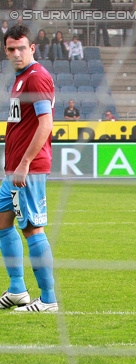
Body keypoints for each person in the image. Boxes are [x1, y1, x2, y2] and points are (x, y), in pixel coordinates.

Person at [0, 24, 58, 312]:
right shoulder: (20, 79)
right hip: (13, 169)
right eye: (11, 49)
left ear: (32, 48)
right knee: (2, 221)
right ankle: (17, 289)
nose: (16, 53)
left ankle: (48, 299)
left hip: (28, 168)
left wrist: (23, 164)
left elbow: (46, 125)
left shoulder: (36, 78)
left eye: (21, 47)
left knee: (33, 228)